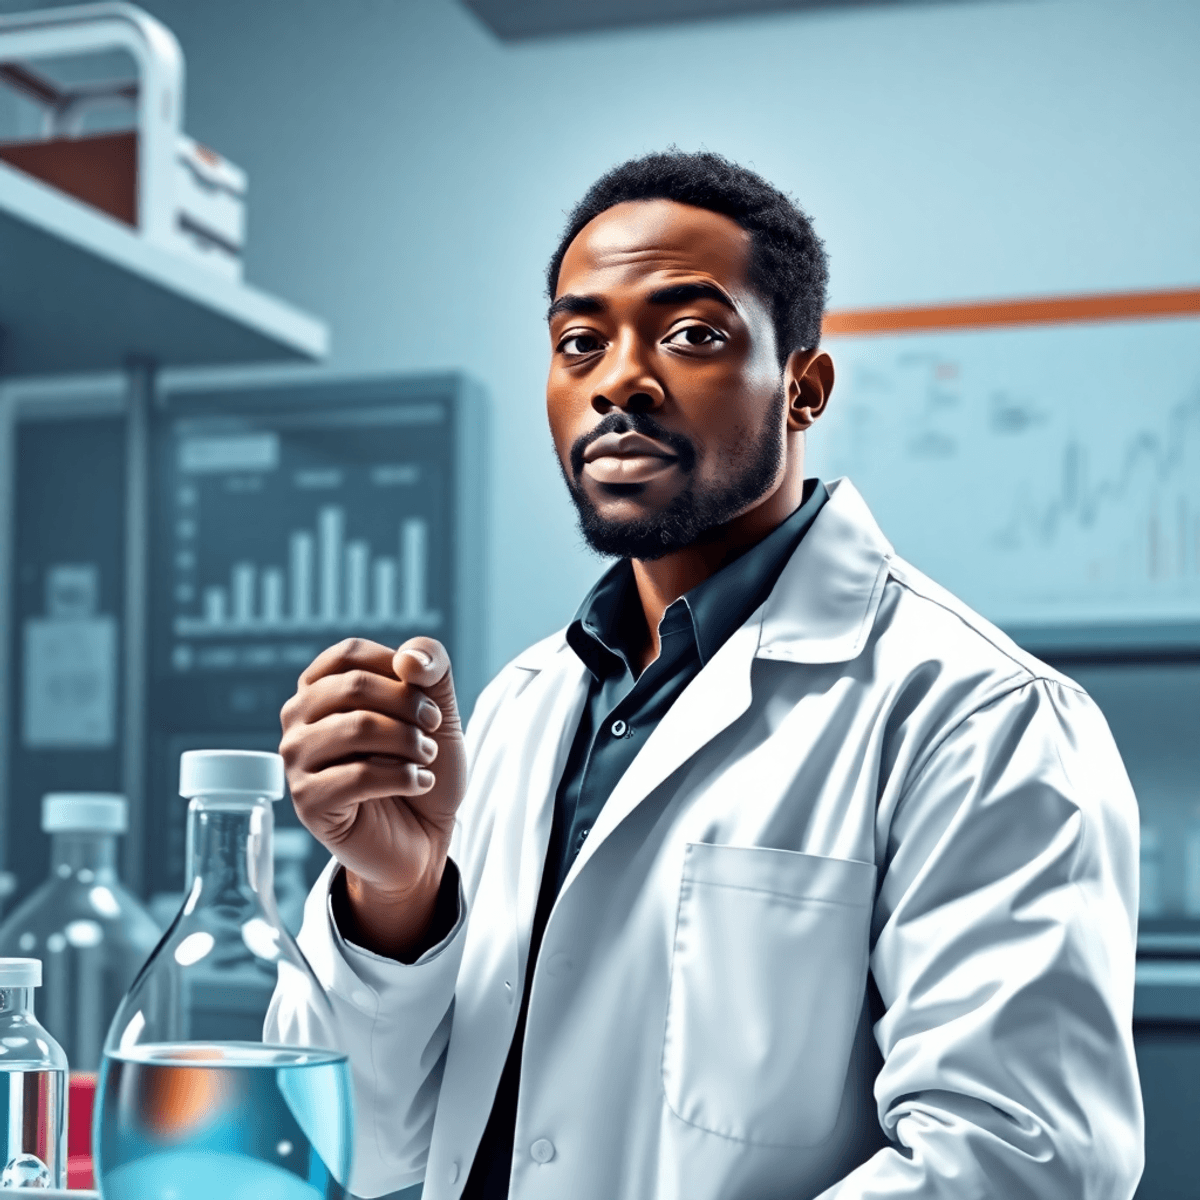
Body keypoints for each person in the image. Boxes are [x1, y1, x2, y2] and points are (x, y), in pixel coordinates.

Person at [269, 150, 1143, 1200]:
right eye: (578, 342)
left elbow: (1017, 1164)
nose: (619, 380)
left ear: (805, 387)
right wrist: (395, 900)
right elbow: (368, 1151)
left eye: (692, 334)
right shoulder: (517, 708)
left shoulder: (977, 714)